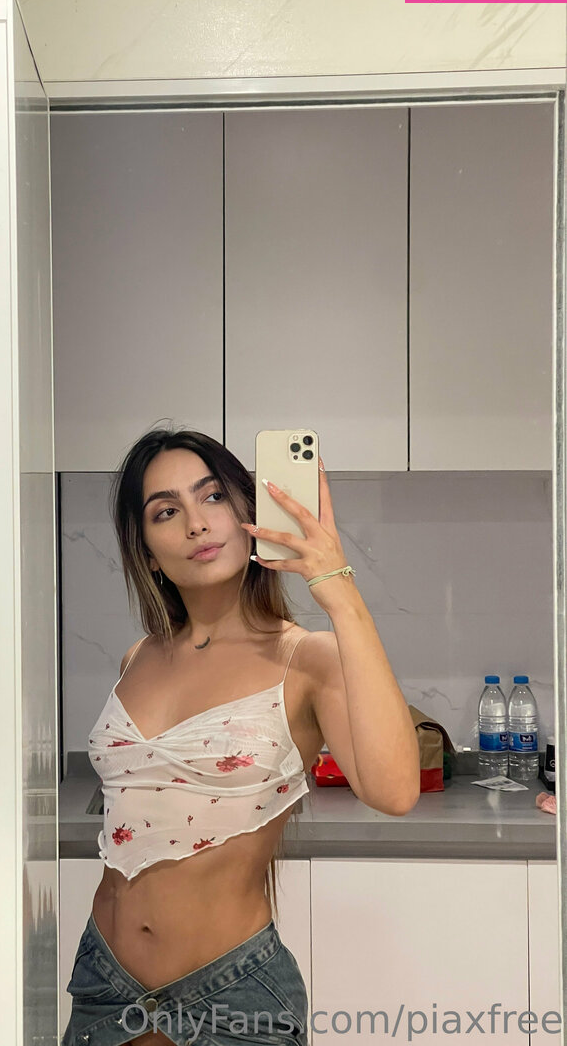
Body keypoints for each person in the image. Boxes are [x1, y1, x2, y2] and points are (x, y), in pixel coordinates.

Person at [62, 426, 420, 1046]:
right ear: (148, 552)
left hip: (228, 999)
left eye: (213, 497)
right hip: (104, 986)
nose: (196, 523)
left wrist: (340, 594)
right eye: (166, 512)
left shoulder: (307, 658)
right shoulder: (136, 658)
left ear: (248, 515)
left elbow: (394, 792)